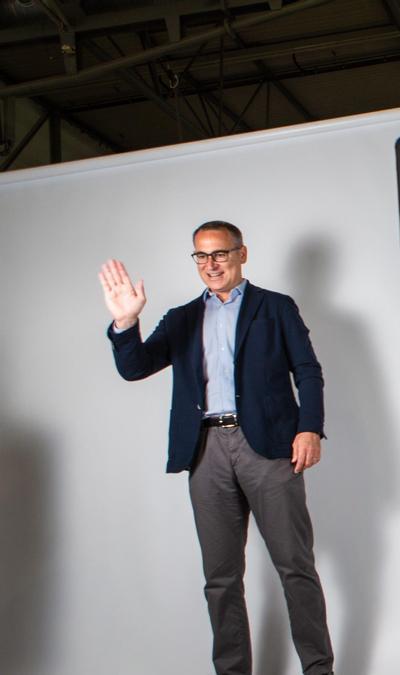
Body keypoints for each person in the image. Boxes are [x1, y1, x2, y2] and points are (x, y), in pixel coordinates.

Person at [98, 221, 335, 675]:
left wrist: (310, 428)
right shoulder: (182, 317)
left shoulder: (275, 308)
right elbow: (135, 367)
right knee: (220, 580)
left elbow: (308, 371)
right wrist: (126, 322)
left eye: (220, 254)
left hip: (268, 449)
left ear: (242, 254)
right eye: (201, 257)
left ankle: (319, 669)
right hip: (205, 450)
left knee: (295, 567)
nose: (211, 265)